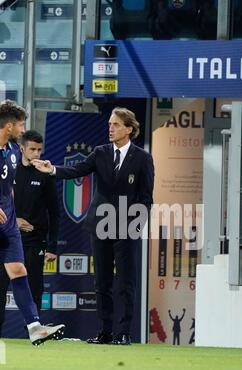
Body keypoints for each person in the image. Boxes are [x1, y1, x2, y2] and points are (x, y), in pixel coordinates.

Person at [33, 107, 154, 345]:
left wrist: (135, 227)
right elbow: (77, 170)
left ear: (129, 129)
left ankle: (124, 333)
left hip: (126, 229)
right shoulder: (100, 153)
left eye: (116, 124)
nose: (110, 128)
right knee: (102, 282)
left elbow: (146, 198)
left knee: (126, 282)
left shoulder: (142, 158)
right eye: (110, 124)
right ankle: (105, 332)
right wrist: (53, 169)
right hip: (100, 226)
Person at [0, 100, 65, 345]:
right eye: (20, 124)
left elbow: (9, 187)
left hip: (7, 224)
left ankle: (35, 327)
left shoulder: (14, 151)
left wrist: (10, 208)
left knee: (19, 270)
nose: (23, 129)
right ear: (9, 126)